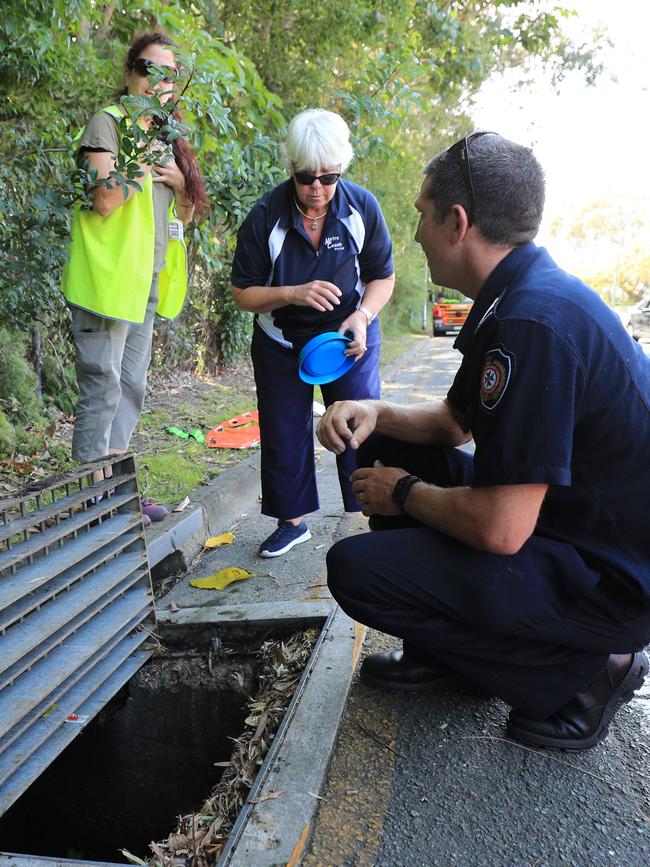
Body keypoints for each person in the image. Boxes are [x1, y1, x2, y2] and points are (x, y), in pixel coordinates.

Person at [317, 131, 650, 751]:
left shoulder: (532, 323)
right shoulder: (514, 296)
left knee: (355, 571)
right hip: (567, 520)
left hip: (612, 577)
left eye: (421, 214)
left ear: (457, 222)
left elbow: (502, 529)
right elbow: (453, 423)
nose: (414, 234)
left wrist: (405, 492)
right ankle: (451, 655)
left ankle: (586, 674)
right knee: (394, 443)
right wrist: (372, 410)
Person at [230, 109, 395, 558]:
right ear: (291, 170)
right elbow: (243, 292)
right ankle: (292, 522)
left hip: (348, 341)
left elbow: (383, 276)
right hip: (281, 341)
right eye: (307, 178)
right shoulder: (266, 216)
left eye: (329, 177)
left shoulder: (362, 209)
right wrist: (294, 293)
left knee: (359, 424)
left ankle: (372, 513)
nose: (318, 188)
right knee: (284, 429)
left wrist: (362, 315)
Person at [61, 30, 208, 524]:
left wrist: (181, 183)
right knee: (101, 390)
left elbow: (180, 220)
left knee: (129, 390)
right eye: (146, 69)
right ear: (128, 74)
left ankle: (116, 496)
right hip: (105, 286)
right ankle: (87, 507)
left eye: (167, 76)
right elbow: (104, 198)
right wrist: (145, 163)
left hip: (145, 284)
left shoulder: (169, 140)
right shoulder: (108, 125)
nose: (155, 82)